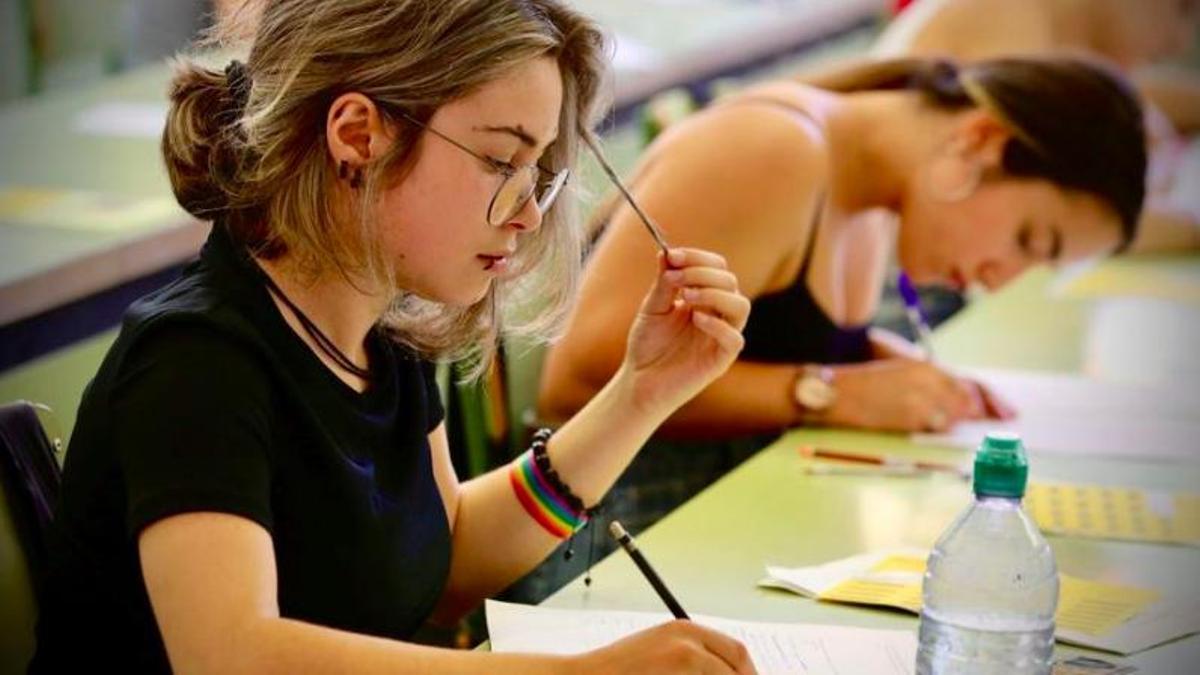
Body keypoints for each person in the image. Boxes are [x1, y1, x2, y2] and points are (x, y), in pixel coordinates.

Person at [29, 1, 755, 673]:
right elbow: (229, 653)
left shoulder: (384, 334)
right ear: (357, 136)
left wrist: (641, 392)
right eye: (502, 162)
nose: (529, 214)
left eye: (537, 174)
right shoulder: (194, 364)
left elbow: (448, 559)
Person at [536, 56, 1145, 550]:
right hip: (613, 551)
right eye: (1028, 241)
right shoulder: (773, 151)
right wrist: (835, 392)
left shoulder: (876, 190)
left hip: (723, 534)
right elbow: (577, 382)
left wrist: (891, 372)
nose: (1002, 279)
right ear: (984, 140)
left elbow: (764, 336)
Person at [861, 0, 1200, 252]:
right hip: (906, 280)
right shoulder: (1009, 21)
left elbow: (1141, 104)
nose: (1179, 42)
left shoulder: (1053, 25)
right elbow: (1075, 216)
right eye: (1183, 9)